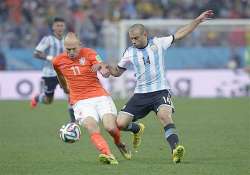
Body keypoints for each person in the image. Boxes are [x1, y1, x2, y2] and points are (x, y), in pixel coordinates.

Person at [107, 10, 214, 163]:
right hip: (141, 94)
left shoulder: (158, 43)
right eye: (131, 39)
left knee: (164, 116)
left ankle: (176, 149)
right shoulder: (129, 52)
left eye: (136, 38)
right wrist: (107, 69)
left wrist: (197, 20)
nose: (133, 41)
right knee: (120, 124)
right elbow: (117, 72)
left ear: (145, 35)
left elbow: (181, 33)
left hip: (160, 91)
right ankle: (137, 129)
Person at [52, 32, 131, 165]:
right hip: (80, 102)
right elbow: (60, 75)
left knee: (110, 127)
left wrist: (103, 70)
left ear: (80, 45)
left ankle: (119, 143)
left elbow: (103, 68)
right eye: (68, 49)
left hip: (100, 96)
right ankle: (108, 154)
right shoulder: (58, 61)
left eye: (74, 49)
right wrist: (65, 87)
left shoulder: (90, 53)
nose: (71, 52)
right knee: (92, 127)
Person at [30, 17, 75, 122]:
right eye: (57, 25)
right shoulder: (48, 39)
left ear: (64, 27)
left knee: (71, 93)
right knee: (48, 100)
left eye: (61, 25)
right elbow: (36, 53)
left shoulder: (67, 40)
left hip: (64, 73)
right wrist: (48, 57)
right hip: (49, 73)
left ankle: (73, 121)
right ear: (53, 27)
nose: (60, 28)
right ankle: (38, 98)